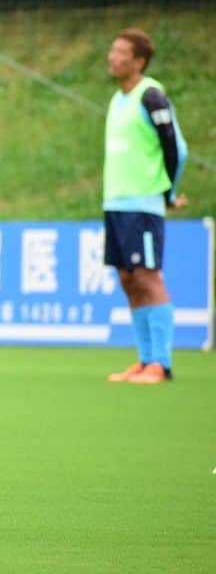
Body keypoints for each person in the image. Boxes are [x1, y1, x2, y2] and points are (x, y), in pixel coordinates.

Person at [103, 28, 187, 385]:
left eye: (122, 52)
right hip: (116, 202)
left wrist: (167, 193)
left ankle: (161, 364)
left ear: (139, 61)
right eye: (113, 49)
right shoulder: (117, 99)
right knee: (127, 278)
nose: (113, 56)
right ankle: (144, 358)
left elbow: (176, 149)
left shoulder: (150, 96)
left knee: (148, 277)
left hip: (143, 204)